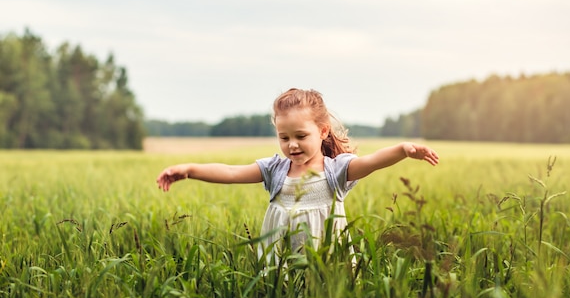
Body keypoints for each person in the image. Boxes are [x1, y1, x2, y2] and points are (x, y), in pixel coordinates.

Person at [156, 88, 439, 260]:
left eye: (301, 136)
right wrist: (189, 170)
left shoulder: (336, 170)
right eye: (284, 137)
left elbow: (372, 161)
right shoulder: (274, 171)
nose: (292, 144)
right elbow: (230, 172)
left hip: (327, 261)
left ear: (323, 131)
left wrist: (403, 149)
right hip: (282, 262)